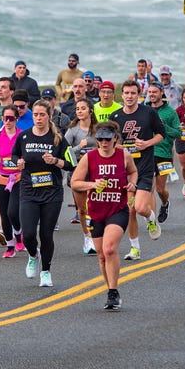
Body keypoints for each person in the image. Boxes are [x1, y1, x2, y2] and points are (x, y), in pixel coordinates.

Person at [70, 122, 138, 311]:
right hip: (96, 211)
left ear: (115, 138)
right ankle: (110, 288)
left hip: (118, 209)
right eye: (99, 139)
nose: (103, 142)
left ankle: (113, 292)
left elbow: (133, 171)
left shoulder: (123, 154)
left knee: (109, 249)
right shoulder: (89, 158)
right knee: (101, 256)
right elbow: (75, 182)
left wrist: (132, 184)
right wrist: (92, 185)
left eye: (107, 139)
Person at [12, 100, 73, 287]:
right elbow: (14, 155)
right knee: (29, 234)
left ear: (49, 115)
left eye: (42, 115)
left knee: (46, 234)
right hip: (29, 190)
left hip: (52, 192)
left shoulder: (58, 139)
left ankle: (46, 271)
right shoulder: (24, 137)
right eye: (36, 115)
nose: (38, 118)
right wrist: (18, 163)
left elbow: (72, 164)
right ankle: (32, 255)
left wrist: (55, 160)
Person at [110, 80, 164, 261]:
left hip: (145, 168)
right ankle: (135, 249)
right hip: (125, 171)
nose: (129, 96)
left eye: (133, 93)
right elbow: (111, 142)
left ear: (139, 94)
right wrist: (120, 148)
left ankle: (150, 218)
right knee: (130, 210)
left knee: (141, 208)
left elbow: (161, 134)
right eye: (126, 93)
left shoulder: (148, 113)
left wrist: (147, 143)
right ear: (122, 95)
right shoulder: (115, 116)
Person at [0, 105, 24, 258]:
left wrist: (22, 161)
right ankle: (10, 246)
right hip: (1, 179)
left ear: (16, 119)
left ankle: (19, 236)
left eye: (11, 118)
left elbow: (26, 156)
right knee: (4, 213)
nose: (7, 121)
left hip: (17, 179)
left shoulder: (22, 136)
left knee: (13, 212)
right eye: (5, 118)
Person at [64, 98, 99, 254]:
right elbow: (65, 153)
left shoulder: (98, 130)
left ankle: (98, 235)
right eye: (77, 109)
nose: (79, 111)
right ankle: (87, 237)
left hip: (96, 173)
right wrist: (80, 146)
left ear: (90, 111)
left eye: (82, 108)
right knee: (82, 209)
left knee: (96, 207)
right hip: (78, 174)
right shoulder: (72, 130)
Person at [146, 82, 181, 223]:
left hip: (164, 153)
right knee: (149, 188)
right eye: (150, 92)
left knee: (160, 190)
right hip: (147, 152)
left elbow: (178, 133)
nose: (152, 94)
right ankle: (152, 220)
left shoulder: (170, 112)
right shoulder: (144, 110)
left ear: (162, 93)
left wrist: (163, 126)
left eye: (155, 92)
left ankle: (165, 203)